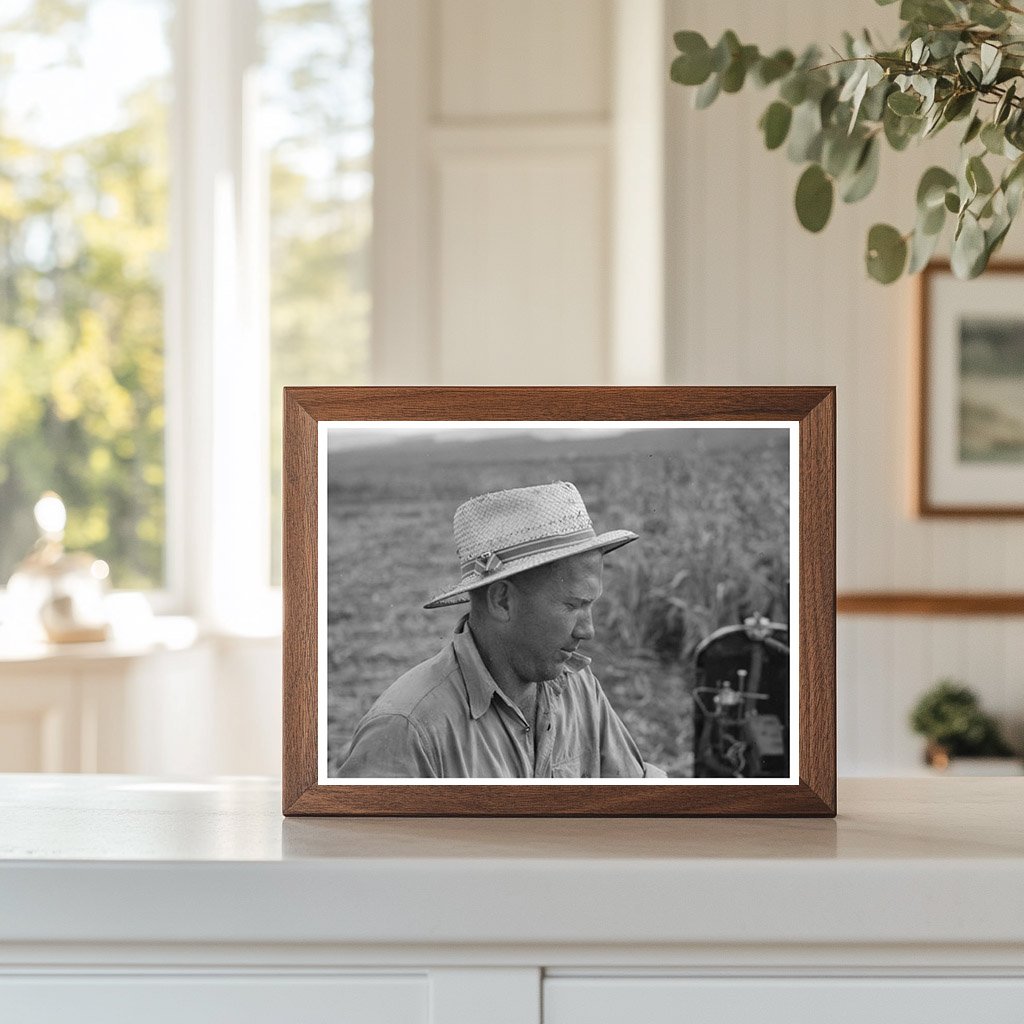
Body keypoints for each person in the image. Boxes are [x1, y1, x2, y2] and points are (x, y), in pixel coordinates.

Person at [335, 481, 666, 779]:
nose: (588, 630)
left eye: (590, 605)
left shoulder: (579, 688)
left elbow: (640, 801)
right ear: (502, 601)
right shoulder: (408, 729)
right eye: (571, 605)